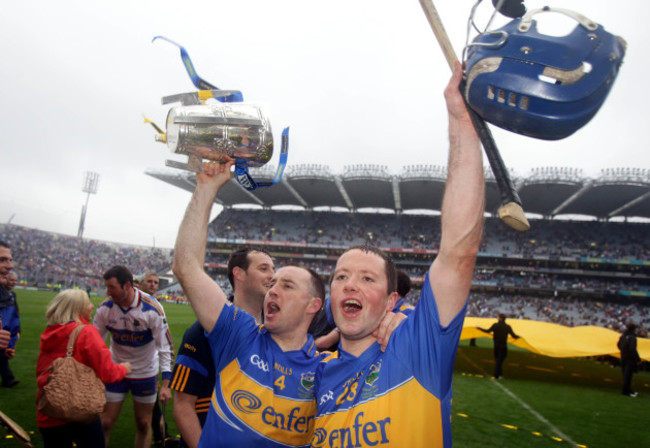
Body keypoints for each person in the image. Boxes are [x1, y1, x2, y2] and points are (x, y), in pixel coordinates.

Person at [311, 62, 485, 448]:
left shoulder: (416, 351)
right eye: (341, 276)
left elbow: (459, 252)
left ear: (392, 301)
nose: (349, 283)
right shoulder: (316, 372)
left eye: (367, 278)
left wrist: (461, 120)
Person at [172, 159, 330, 447]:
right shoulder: (239, 334)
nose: (272, 288)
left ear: (313, 305)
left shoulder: (327, 369)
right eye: (272, 281)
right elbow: (186, 267)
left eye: (287, 285)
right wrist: (206, 189)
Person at [170, 247, 275, 448]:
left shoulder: (276, 330)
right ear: (239, 273)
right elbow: (183, 406)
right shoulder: (202, 332)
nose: (273, 275)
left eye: (273, 268)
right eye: (264, 269)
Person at [36, 289, 131, 448]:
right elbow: (108, 372)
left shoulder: (49, 332)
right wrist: (124, 369)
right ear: (78, 308)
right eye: (87, 303)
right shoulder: (86, 332)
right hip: (79, 408)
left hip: (49, 410)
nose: (91, 306)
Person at [93, 265, 174, 448]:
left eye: (112, 287)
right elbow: (95, 345)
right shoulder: (105, 309)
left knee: (144, 423)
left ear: (127, 286)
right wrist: (95, 373)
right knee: (105, 422)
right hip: (116, 370)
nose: (108, 292)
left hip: (145, 374)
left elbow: (165, 347)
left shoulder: (152, 309)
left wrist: (166, 384)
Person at [478, 313, 520, 379]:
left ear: (500, 318)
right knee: (500, 360)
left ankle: (498, 374)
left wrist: (479, 328)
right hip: (503, 346)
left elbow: (488, 331)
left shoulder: (496, 325)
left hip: (496, 346)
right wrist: (520, 337)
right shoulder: (507, 327)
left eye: (498, 317)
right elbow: (514, 336)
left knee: (498, 360)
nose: (497, 318)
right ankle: (498, 374)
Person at [0, 272, 20, 388]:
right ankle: (8, 379)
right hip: (3, 328)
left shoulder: (13, 294)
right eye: (11, 280)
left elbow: (15, 313)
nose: (13, 283)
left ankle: (8, 379)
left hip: (9, 329)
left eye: (15, 281)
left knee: (3, 356)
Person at [617, 321, 641, 397]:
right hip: (630, 358)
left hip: (623, 356)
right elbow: (632, 349)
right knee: (628, 375)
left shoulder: (623, 336)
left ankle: (629, 389)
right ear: (634, 329)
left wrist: (623, 351)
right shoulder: (632, 337)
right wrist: (638, 359)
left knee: (625, 374)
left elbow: (618, 344)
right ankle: (626, 391)